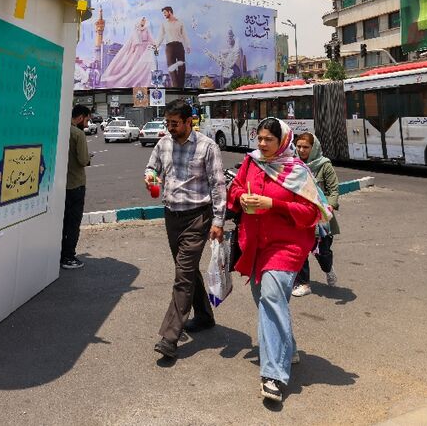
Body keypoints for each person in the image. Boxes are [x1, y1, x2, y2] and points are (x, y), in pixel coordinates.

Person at [227, 118, 332, 403]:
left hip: (287, 246)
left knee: (272, 298)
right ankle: (289, 347)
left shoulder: (297, 171)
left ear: (282, 141)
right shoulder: (251, 162)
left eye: (268, 140)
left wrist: (273, 204)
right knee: (263, 299)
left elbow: (312, 213)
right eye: (259, 139)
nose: (261, 144)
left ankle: (273, 375)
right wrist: (242, 197)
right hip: (256, 245)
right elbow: (234, 189)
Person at [145, 99, 226, 359]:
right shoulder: (163, 143)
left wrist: (218, 221)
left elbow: (218, 185)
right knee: (187, 269)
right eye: (168, 122)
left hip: (197, 218)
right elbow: (152, 168)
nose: (170, 127)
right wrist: (150, 177)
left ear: (189, 121)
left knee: (183, 274)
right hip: (172, 216)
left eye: (175, 123)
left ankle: (170, 336)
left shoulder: (207, 146)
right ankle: (203, 315)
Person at [292, 132, 340, 296]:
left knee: (322, 252)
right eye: (299, 146)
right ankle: (304, 284)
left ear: (314, 148)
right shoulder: (294, 164)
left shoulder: (324, 165)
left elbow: (333, 190)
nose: (301, 150)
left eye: (306, 147)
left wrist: (329, 208)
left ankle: (328, 268)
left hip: (321, 218)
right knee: (301, 249)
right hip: (301, 215)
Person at [62, 104, 91, 270]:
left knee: (63, 223)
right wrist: (88, 158)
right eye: (86, 120)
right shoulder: (78, 134)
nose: (87, 124)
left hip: (62, 185)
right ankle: (69, 257)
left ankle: (60, 254)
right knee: (73, 224)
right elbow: (82, 160)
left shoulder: (63, 129)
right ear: (80, 117)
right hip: (76, 184)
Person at [100, 17, 157, 88]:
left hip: (145, 52)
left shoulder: (146, 30)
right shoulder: (135, 31)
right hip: (137, 52)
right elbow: (134, 43)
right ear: (139, 21)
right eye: (142, 20)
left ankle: (144, 84)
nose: (144, 21)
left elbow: (151, 39)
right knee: (132, 69)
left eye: (144, 20)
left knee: (144, 68)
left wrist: (154, 46)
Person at [155, 7, 191, 89]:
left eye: (165, 12)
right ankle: (175, 87)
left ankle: (181, 87)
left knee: (182, 67)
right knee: (171, 67)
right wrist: (156, 45)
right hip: (169, 46)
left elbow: (184, 35)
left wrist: (188, 46)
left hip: (179, 45)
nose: (164, 15)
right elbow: (160, 36)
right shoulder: (164, 24)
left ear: (169, 12)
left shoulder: (180, 22)